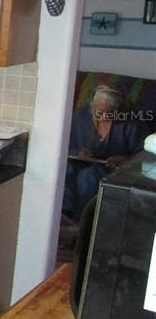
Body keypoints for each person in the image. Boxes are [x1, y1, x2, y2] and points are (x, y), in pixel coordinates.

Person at [62, 85, 146, 221]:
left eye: (109, 112)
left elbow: (145, 155)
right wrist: (80, 152)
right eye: (98, 110)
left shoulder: (133, 122)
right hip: (80, 163)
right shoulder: (80, 116)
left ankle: (80, 223)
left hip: (113, 169)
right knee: (65, 170)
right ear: (92, 105)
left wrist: (126, 159)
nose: (103, 116)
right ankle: (63, 217)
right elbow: (66, 144)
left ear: (119, 110)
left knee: (88, 177)